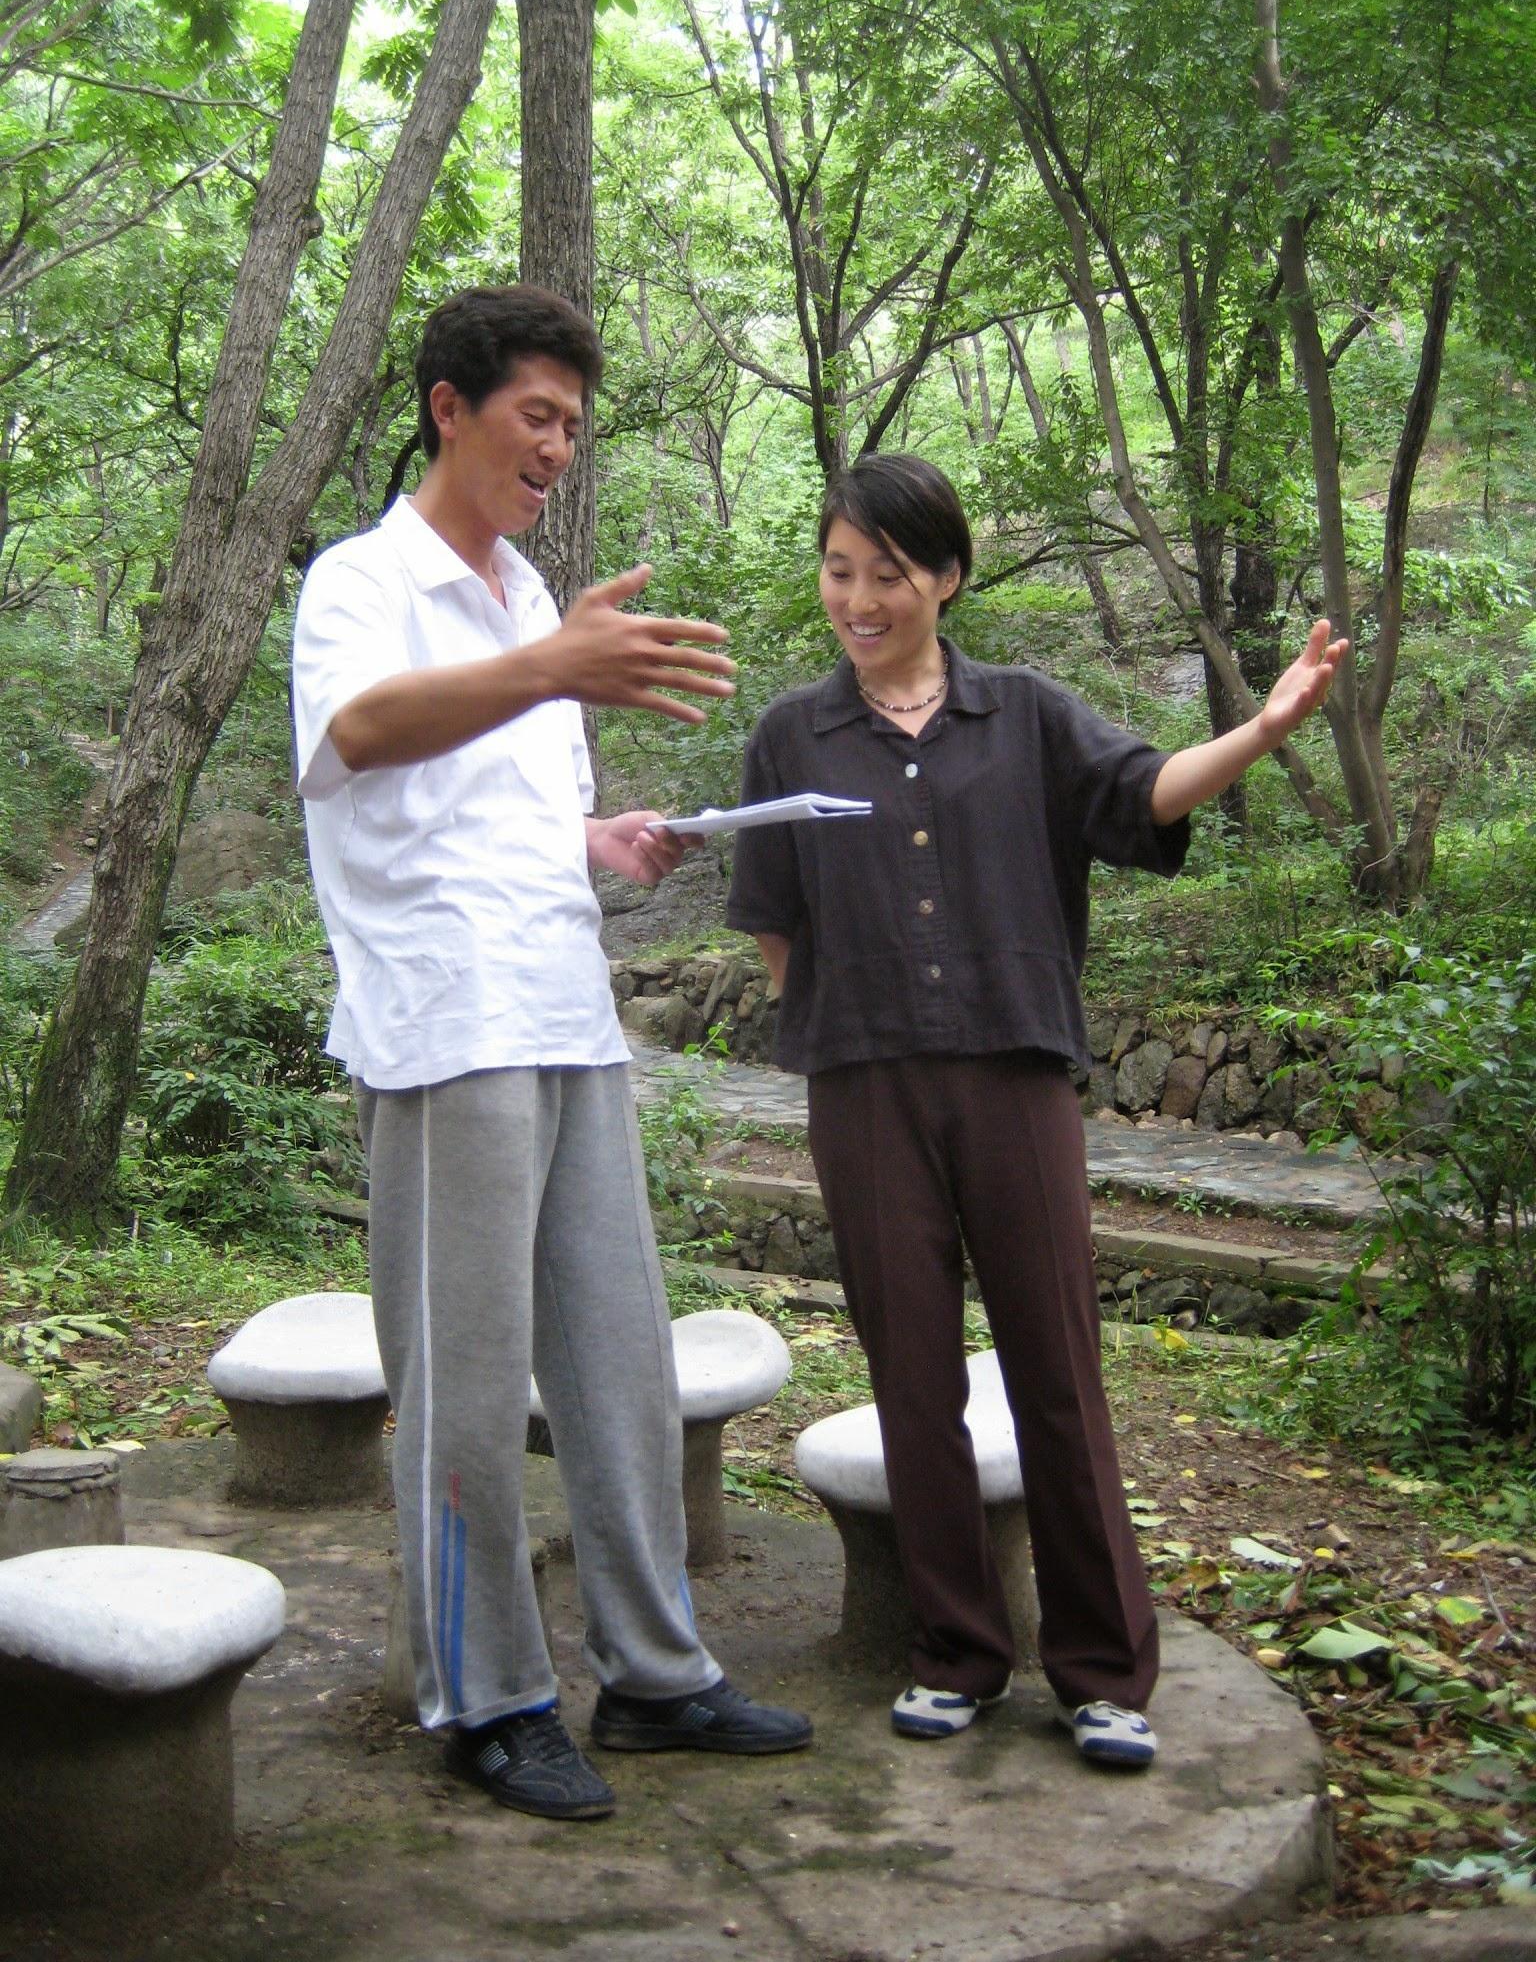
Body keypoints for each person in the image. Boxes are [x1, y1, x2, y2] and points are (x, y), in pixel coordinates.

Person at [725, 453, 1346, 1770]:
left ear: (944, 576)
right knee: (910, 1377)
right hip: (867, 1086)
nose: (859, 597)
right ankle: (955, 1650)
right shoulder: (793, 734)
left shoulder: (1027, 716)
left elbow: (1147, 796)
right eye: (840, 571)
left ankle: (1103, 1669)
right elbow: (776, 926)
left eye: (886, 572)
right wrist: (857, 1028)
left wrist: (1267, 729)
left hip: (1015, 1076)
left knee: (1056, 1371)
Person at [291, 284, 812, 1822]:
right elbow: (359, 740)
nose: (561, 450)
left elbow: (480, 810)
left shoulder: (528, 598)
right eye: (539, 416)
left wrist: (602, 839)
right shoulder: (362, 580)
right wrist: (554, 669)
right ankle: (489, 1695)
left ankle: (656, 1672)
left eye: (576, 426)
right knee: (461, 1388)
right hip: (445, 1026)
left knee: (615, 1360)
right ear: (451, 407)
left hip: (565, 1010)